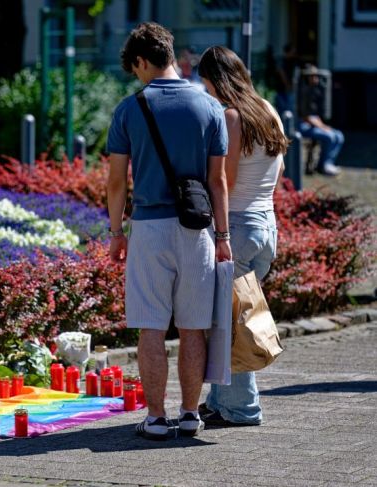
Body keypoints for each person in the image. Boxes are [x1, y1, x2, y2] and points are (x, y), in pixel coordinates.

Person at [106, 23, 231, 440]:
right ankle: (191, 414)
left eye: (135, 69)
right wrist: (225, 237)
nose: (137, 77)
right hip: (199, 230)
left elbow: (116, 181)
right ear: (171, 56)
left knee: (152, 328)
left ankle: (157, 418)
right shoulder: (210, 108)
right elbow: (219, 183)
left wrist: (115, 232)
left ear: (142, 61)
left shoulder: (129, 109)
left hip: (149, 228)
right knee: (194, 327)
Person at [197, 45, 289, 427]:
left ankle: (242, 408)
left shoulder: (232, 118)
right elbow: (277, 175)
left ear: (216, 81)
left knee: (231, 323)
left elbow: (226, 181)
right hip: (265, 225)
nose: (205, 92)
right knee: (230, 316)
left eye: (205, 84)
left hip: (238, 227)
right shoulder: (268, 110)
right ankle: (221, 402)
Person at [297, 64, 344, 176]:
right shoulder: (303, 92)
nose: (316, 78)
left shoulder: (314, 91)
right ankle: (324, 166)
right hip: (302, 126)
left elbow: (315, 116)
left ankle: (328, 162)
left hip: (313, 124)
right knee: (330, 137)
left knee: (339, 135)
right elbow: (306, 117)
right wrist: (323, 128)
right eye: (313, 76)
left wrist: (324, 126)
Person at [275, 43, 298, 117]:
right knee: (285, 109)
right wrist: (287, 84)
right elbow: (282, 73)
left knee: (287, 109)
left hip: (286, 89)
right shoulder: (282, 62)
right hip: (283, 89)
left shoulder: (292, 62)